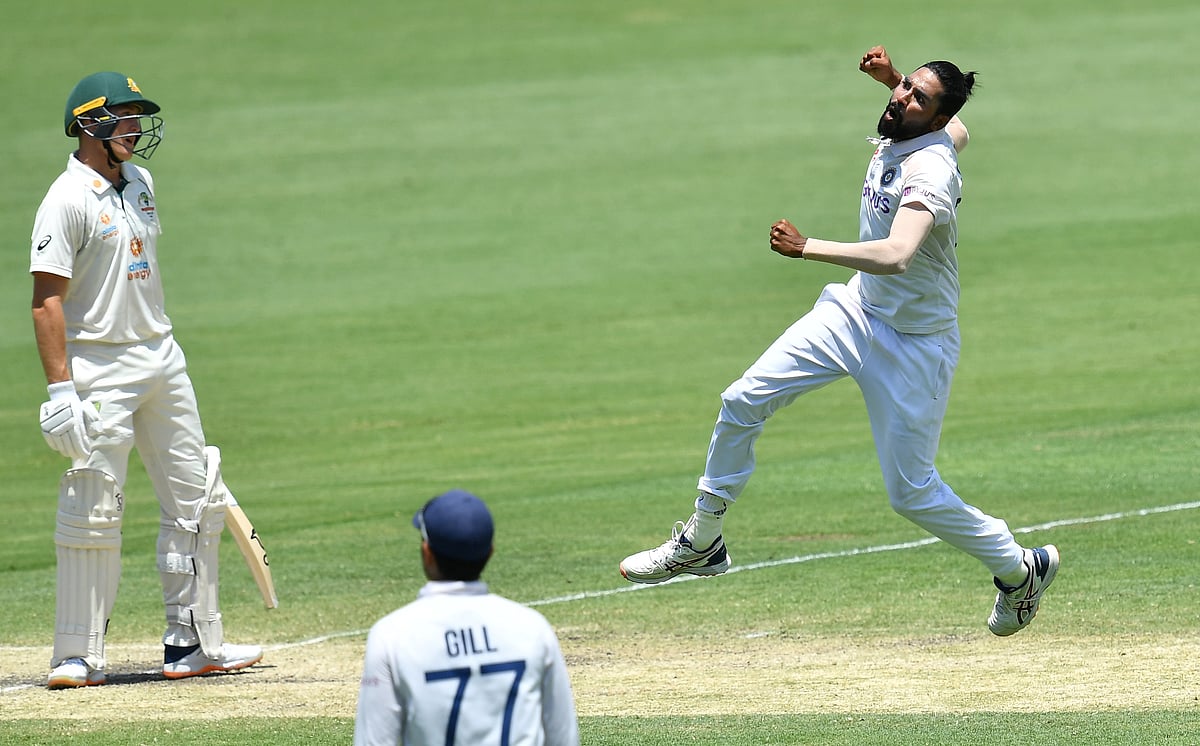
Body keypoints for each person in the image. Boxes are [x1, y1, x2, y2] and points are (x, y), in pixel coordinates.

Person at [619, 46, 1059, 636]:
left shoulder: (930, 168)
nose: (901, 98)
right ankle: (701, 540)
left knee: (911, 493)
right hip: (855, 311)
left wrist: (808, 248)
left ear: (929, 121)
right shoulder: (927, 131)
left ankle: (1016, 569)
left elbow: (898, 255)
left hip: (914, 345)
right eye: (906, 88)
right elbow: (961, 126)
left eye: (915, 98)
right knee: (742, 398)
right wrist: (896, 77)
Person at [30, 71, 263, 689]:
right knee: (93, 507)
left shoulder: (141, 182)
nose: (135, 128)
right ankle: (77, 656)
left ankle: (191, 643)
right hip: (99, 366)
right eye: (124, 117)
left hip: (161, 356)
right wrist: (61, 392)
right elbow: (46, 301)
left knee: (195, 497)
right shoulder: (66, 199)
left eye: (138, 117)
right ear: (89, 126)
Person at [355, 489, 579, 746]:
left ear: (427, 553)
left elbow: (374, 741)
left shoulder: (392, 634)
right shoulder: (532, 627)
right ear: (490, 552)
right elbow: (564, 738)